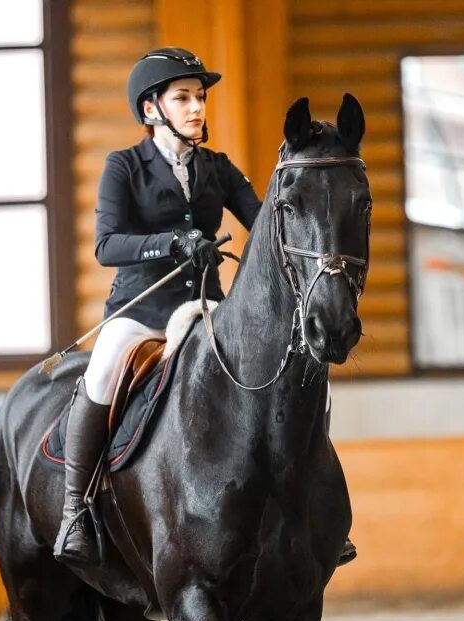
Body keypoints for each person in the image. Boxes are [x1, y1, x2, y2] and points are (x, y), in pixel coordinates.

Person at [54, 47, 355, 569]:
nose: (197, 108)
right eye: (184, 98)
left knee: (310, 374)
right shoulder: (123, 167)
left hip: (207, 309)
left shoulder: (217, 168)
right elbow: (107, 245)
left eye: (200, 98)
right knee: (102, 372)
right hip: (141, 311)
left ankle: (311, 498)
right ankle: (75, 511)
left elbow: (266, 225)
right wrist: (173, 242)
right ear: (152, 108)